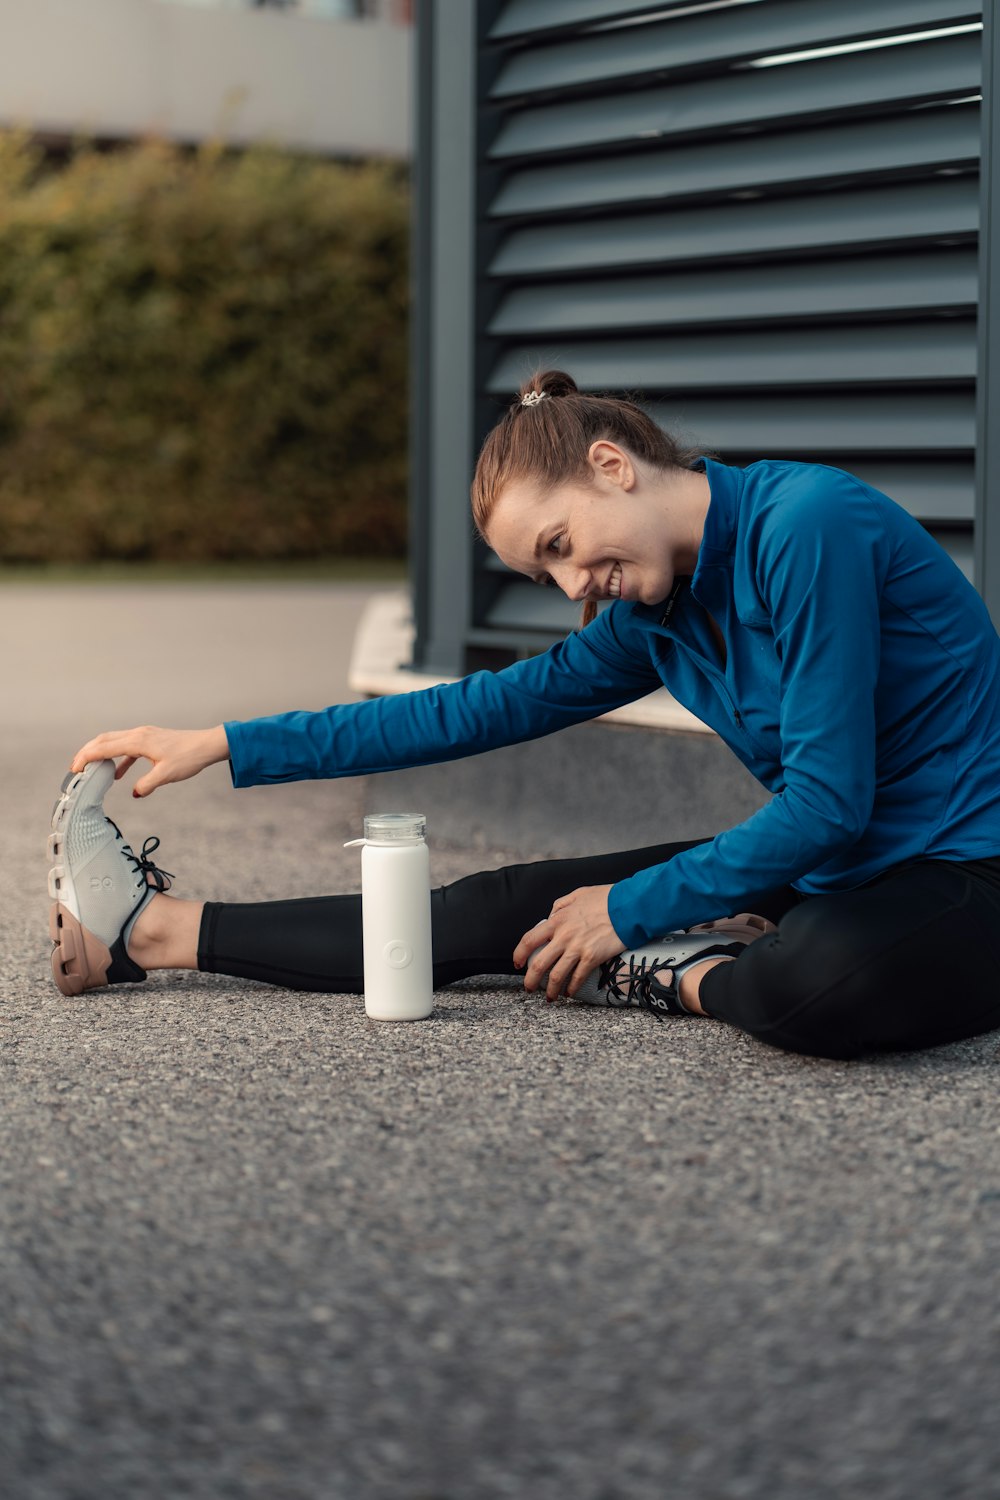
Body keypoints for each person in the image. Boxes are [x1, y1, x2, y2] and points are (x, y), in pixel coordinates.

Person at [48, 370, 1000, 1060]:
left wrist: (631, 914)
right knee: (511, 906)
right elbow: (472, 712)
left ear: (612, 465)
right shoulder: (652, 615)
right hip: (837, 864)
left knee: (814, 982)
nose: (576, 583)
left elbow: (830, 802)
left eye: (563, 544)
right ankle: (148, 932)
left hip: (966, 867)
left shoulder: (806, 526)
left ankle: (682, 974)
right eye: (547, 573)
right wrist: (222, 742)